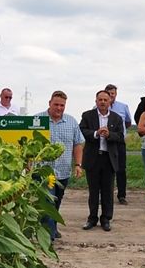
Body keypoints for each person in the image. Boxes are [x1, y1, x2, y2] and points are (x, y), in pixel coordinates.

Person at [37, 90, 84, 240]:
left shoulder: (71, 122)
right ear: (49, 103)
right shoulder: (37, 119)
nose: (59, 108)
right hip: (43, 172)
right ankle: (47, 237)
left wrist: (78, 164)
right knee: (47, 203)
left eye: (62, 105)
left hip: (63, 172)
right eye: (56, 104)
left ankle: (53, 228)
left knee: (56, 202)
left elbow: (78, 144)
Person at [79, 90, 125, 231]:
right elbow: (82, 131)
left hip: (108, 158)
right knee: (93, 191)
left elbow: (120, 136)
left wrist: (109, 134)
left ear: (110, 101)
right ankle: (92, 218)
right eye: (100, 99)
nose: (103, 102)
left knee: (107, 191)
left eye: (106, 100)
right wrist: (96, 133)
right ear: (96, 101)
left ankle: (106, 219)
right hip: (93, 157)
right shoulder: (87, 115)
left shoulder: (116, 118)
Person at [105, 84, 133, 205]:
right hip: (105, 141)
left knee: (121, 169)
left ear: (116, 94)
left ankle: (122, 195)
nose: (111, 96)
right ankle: (105, 195)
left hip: (119, 141)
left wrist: (118, 133)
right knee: (105, 169)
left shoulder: (123, 107)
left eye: (113, 93)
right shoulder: (98, 106)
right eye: (109, 93)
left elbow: (127, 122)